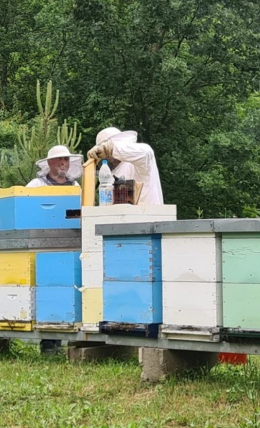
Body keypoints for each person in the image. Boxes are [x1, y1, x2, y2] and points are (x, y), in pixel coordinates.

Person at [26, 145, 82, 355]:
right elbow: (27, 212)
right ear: (48, 163)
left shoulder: (75, 186)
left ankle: (63, 340)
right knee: (48, 290)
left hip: (70, 243)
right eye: (58, 160)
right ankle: (48, 342)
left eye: (66, 160)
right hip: (43, 244)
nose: (62, 164)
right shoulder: (36, 185)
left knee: (65, 291)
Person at [88, 127, 164, 205]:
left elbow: (147, 152)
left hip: (150, 214)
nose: (109, 156)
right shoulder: (110, 174)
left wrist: (110, 148)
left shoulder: (137, 163)